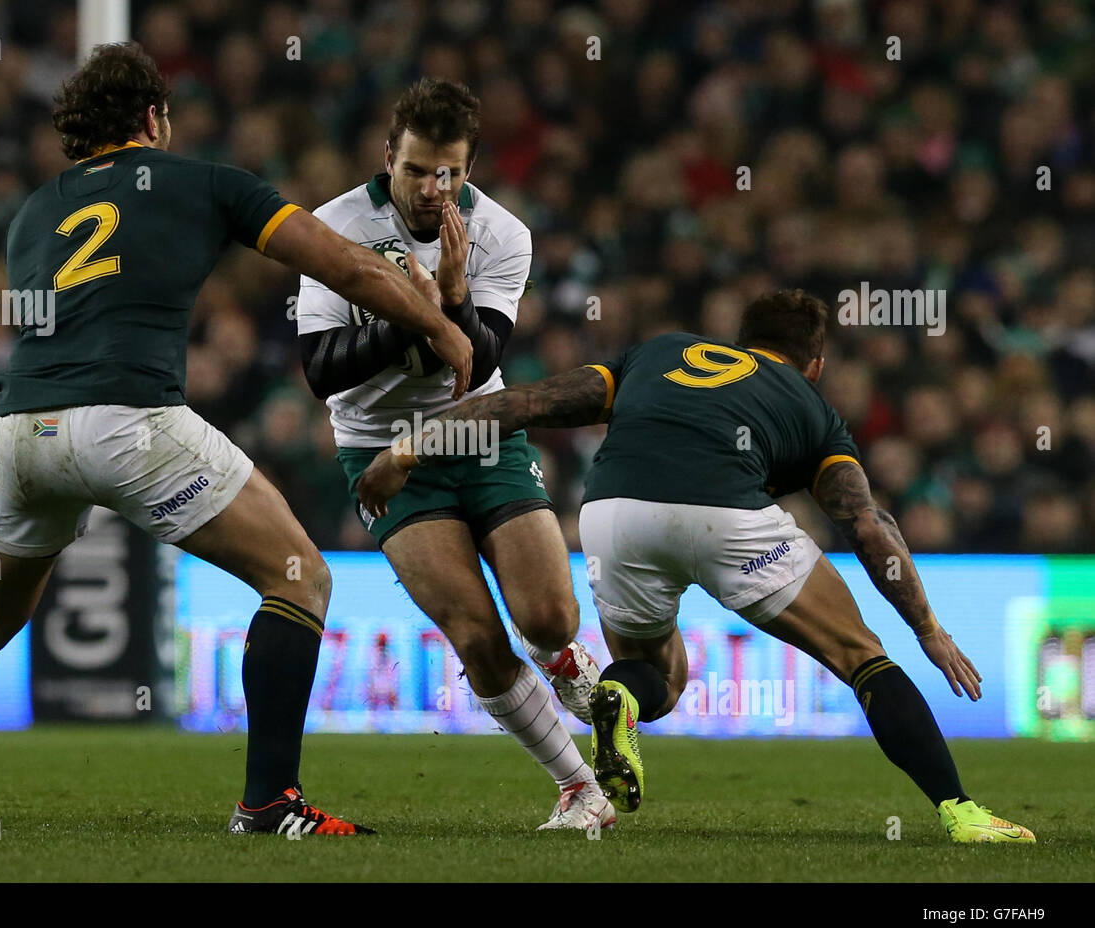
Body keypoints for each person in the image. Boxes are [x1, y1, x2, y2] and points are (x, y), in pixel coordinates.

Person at [0, 43, 473, 836]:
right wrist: (439, 322)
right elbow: (347, 267)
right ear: (155, 119)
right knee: (300, 580)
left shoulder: (33, 212)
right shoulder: (204, 182)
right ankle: (269, 802)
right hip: (128, 421)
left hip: (23, 429)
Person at [358, 289, 1035, 843]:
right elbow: (866, 524)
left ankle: (617, 698)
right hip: (727, 520)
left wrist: (413, 448)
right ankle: (961, 812)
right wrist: (927, 627)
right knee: (862, 657)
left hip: (613, 514)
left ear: (740, 343)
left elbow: (526, 403)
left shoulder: (657, 354)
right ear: (817, 364)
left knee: (655, 675)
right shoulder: (812, 408)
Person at [296, 78, 611, 832]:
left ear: (470, 169)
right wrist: (413, 317)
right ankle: (578, 789)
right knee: (476, 636)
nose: (434, 189)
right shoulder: (332, 229)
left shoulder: (503, 234)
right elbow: (320, 368)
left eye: (451, 174)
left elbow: (483, 355)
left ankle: (565, 661)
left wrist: (457, 298)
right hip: (377, 447)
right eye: (416, 171)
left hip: (481, 429)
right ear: (387, 159)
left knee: (549, 617)